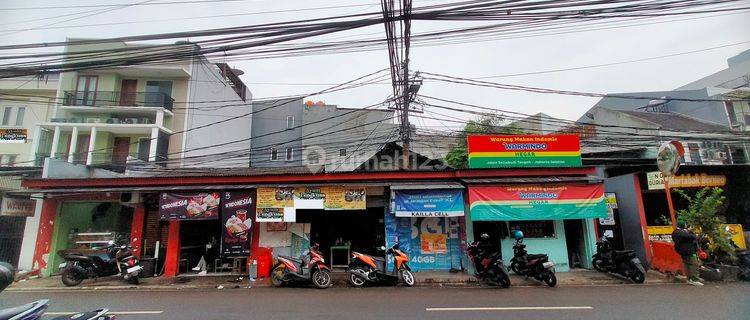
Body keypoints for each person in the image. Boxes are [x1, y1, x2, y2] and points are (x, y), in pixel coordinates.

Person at [672, 221, 703, 286]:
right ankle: (694, 279)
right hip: (688, 251)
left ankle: (689, 279)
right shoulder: (682, 232)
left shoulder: (675, 232)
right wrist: (691, 232)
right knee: (694, 264)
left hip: (682, 251)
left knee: (687, 264)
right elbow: (692, 237)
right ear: (683, 225)